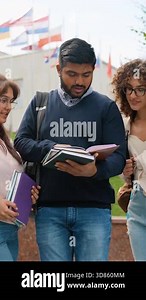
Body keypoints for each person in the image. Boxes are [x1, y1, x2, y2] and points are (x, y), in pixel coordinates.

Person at [14, 38, 126, 261]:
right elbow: (21, 143)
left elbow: (119, 157)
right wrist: (51, 148)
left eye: (86, 75)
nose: (80, 81)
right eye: (72, 74)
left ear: (93, 70)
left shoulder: (106, 107)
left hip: (94, 209)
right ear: (58, 69)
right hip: (50, 209)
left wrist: (94, 171)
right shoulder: (40, 103)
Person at [0, 74, 40, 261]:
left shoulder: (7, 141)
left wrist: (27, 195)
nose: (8, 107)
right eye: (3, 100)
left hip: (10, 229)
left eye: (11, 101)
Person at [111, 58, 146, 261]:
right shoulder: (124, 126)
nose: (133, 95)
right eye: (129, 89)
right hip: (138, 208)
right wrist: (125, 171)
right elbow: (126, 176)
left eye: (140, 89)